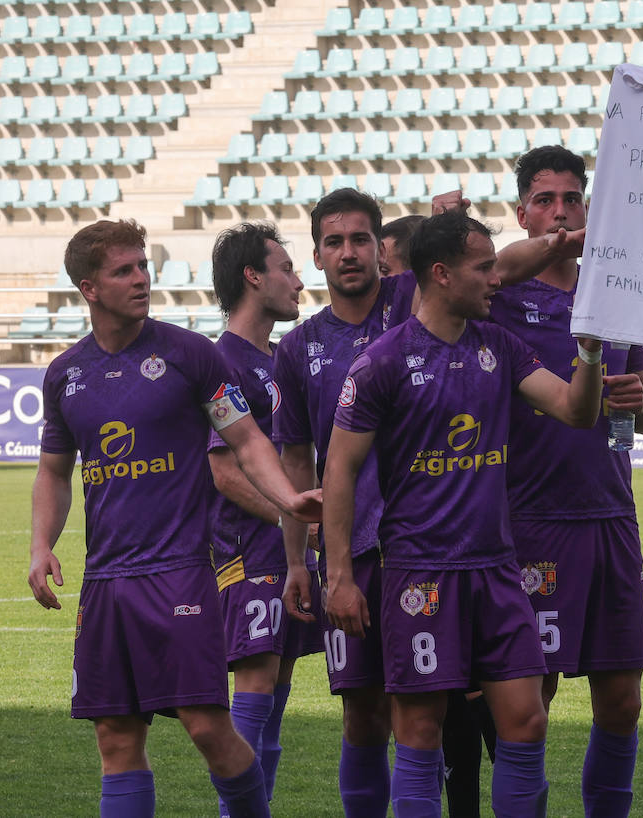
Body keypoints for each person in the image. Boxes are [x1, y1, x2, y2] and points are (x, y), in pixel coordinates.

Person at [28, 219, 322, 817]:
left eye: (142, 264)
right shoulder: (66, 374)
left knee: (209, 728)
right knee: (116, 739)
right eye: (124, 270)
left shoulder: (190, 355)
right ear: (89, 287)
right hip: (106, 583)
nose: (142, 278)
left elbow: (245, 440)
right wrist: (41, 546)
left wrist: (288, 500)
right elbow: (55, 472)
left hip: (181, 573)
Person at [322, 210, 605, 816]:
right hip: (420, 573)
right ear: (443, 275)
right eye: (484, 268)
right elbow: (339, 471)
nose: (496, 279)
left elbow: (576, 412)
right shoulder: (382, 362)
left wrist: (590, 348)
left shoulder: (498, 346)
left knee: (525, 721)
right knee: (420, 732)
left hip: (497, 569)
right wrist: (340, 576)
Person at [486, 144, 643, 817]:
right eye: (545, 200)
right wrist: (584, 239)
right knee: (530, 703)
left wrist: (636, 403)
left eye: (571, 199)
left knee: (622, 702)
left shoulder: (614, 290)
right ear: (522, 212)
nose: (559, 213)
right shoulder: (500, 293)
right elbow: (498, 263)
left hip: (612, 518)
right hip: (531, 522)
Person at [273, 189, 418, 817]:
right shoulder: (297, 347)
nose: (348, 252)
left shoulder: (414, 306)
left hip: (426, 543)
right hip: (349, 551)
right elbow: (297, 464)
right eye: (334, 242)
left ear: (380, 250)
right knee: (362, 710)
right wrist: (300, 563)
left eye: (360, 239)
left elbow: (483, 272)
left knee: (423, 707)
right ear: (317, 256)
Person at [207, 222, 325, 814]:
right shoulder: (219, 362)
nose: (300, 282)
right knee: (255, 686)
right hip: (246, 552)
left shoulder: (284, 360)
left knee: (275, 693)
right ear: (253, 277)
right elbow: (224, 472)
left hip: (288, 553)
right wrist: (296, 515)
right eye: (286, 269)